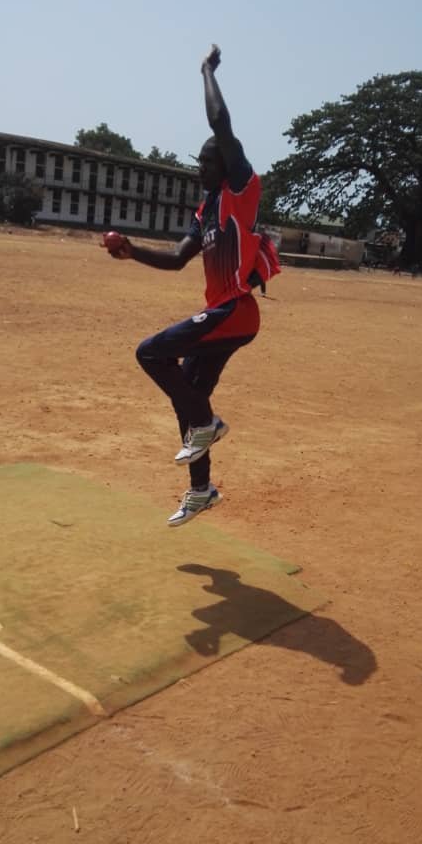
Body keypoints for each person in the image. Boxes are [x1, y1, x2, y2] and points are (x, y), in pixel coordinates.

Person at [104, 44, 273, 526]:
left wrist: (206, 71)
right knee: (189, 393)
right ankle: (201, 489)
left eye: (206, 162)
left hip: (236, 312)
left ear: (226, 164)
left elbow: (221, 124)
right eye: (198, 162)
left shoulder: (240, 191)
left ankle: (207, 423)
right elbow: (179, 259)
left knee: (150, 353)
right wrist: (132, 252)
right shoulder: (206, 211)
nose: (199, 168)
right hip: (222, 314)